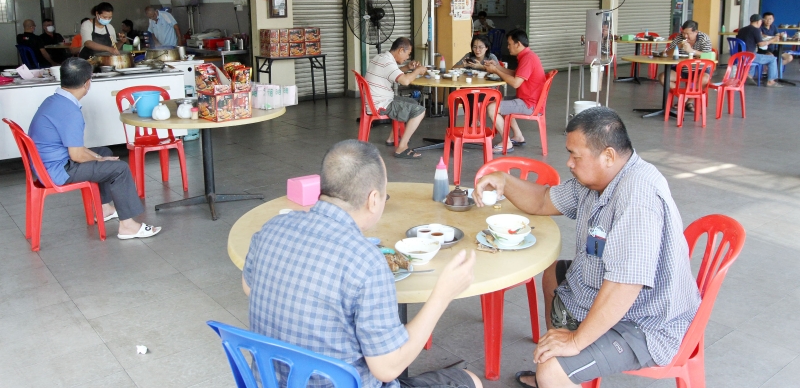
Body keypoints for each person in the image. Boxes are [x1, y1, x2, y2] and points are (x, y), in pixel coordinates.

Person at [475, 107, 700, 388]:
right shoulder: (597, 180)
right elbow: (544, 200)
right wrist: (504, 181)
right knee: (552, 274)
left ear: (607, 155)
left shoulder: (637, 197)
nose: (569, 163)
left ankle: (559, 371)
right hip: (605, 284)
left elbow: (625, 285)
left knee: (551, 371)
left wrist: (576, 341)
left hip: (645, 320)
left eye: (575, 155)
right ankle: (561, 355)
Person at [243, 139, 481, 388]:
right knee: (469, 380)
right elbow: (387, 369)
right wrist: (442, 295)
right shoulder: (366, 261)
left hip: (269, 382)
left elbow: (249, 287)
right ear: (373, 199)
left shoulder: (272, 228)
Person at [28, 58, 162, 240]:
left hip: (46, 165)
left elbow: (76, 148)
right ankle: (128, 226)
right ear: (87, 83)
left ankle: (105, 208)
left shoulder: (54, 101)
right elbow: (76, 154)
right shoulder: (70, 111)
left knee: (105, 152)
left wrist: (101, 157)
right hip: (58, 171)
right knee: (119, 169)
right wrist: (100, 161)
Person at [364, 37, 427, 159]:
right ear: (401, 50)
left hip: (375, 101)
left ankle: (392, 138)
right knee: (420, 111)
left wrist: (408, 68)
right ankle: (402, 147)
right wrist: (418, 70)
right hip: (381, 104)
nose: (407, 58)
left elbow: (394, 72)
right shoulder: (387, 63)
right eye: (407, 54)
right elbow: (405, 81)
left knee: (412, 102)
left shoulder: (381, 57)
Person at [483, 29, 545, 153]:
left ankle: (507, 143)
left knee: (491, 108)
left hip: (529, 104)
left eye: (510, 44)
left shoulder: (528, 59)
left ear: (518, 44)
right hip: (529, 101)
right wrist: (497, 67)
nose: (508, 47)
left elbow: (516, 83)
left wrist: (496, 71)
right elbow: (516, 74)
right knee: (500, 101)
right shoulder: (527, 56)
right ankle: (518, 136)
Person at [658, 20, 714, 111]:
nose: (685, 36)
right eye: (683, 33)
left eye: (688, 34)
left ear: (696, 32)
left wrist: (692, 51)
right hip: (682, 69)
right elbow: (667, 53)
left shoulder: (704, 38)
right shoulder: (679, 38)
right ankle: (683, 96)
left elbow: (708, 55)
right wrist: (678, 46)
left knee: (704, 79)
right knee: (663, 77)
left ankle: (689, 101)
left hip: (700, 69)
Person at [736, 14, 781, 87]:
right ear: (757, 22)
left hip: (739, 55)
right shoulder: (755, 30)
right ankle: (771, 81)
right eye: (761, 21)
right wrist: (772, 40)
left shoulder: (742, 29)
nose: (761, 23)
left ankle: (749, 76)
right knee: (773, 59)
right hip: (749, 56)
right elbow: (761, 44)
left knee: (755, 54)